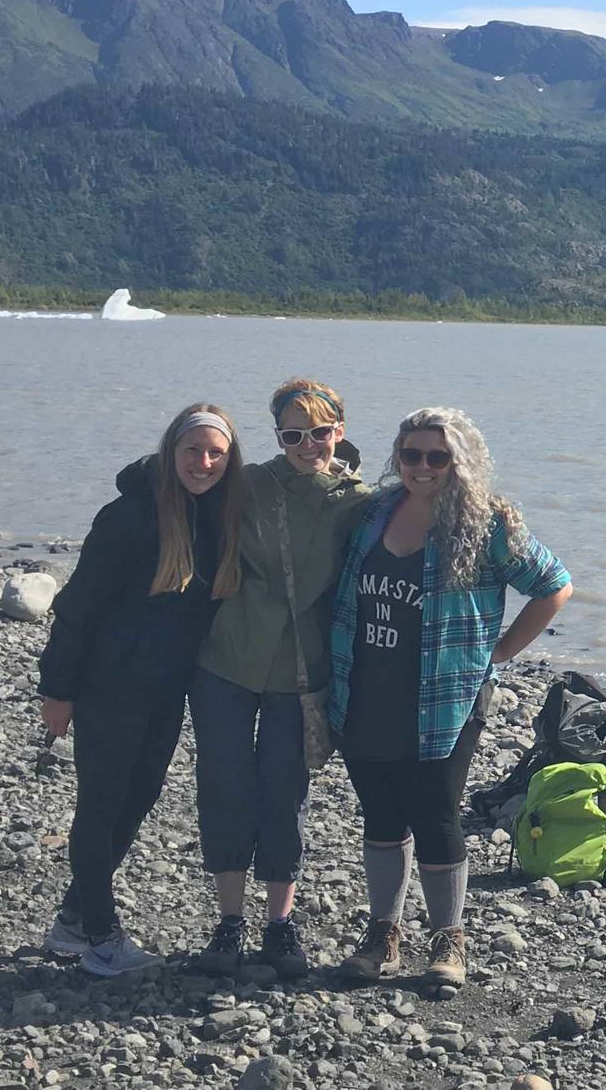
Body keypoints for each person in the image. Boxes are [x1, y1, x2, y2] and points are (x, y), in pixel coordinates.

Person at [328, 407, 572, 994]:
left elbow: (554, 587)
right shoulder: (375, 512)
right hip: (363, 688)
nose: (422, 467)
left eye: (437, 456)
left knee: (436, 815)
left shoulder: (487, 524)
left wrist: (500, 653)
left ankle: (448, 938)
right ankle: (382, 932)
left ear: (459, 461)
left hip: (447, 698)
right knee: (381, 817)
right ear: (398, 456)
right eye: (411, 454)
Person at [37, 404, 244, 977]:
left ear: (230, 460)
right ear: (169, 452)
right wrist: (58, 691)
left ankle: (75, 919)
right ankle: (102, 939)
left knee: (140, 798)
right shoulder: (127, 517)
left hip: (166, 688)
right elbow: (77, 607)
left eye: (215, 454)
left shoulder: (220, 515)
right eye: (192, 451)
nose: (203, 463)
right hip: (110, 685)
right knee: (100, 807)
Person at [189, 378, 371, 977]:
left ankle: (279, 924)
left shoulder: (359, 502)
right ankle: (229, 921)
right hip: (227, 660)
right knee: (224, 783)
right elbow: (171, 482)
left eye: (319, 432)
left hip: (303, 669)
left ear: (338, 432)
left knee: (285, 791)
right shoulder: (247, 483)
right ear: (278, 437)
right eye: (293, 434)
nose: (307, 444)